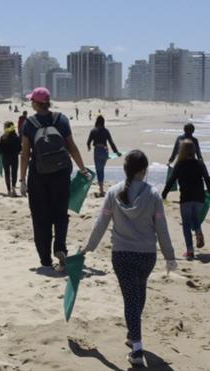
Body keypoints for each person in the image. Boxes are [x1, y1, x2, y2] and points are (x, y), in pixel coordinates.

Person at [80, 150, 176, 367]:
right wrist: (169, 256)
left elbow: (101, 223)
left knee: (134, 297)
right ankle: (136, 344)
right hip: (147, 255)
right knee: (137, 296)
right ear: (144, 171)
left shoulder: (113, 192)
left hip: (122, 255)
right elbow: (162, 228)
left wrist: (89, 246)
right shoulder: (153, 194)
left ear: (126, 169)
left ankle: (136, 343)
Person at [19, 87, 89, 271]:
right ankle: (60, 247)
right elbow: (72, 147)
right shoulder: (61, 119)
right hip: (61, 173)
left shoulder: (29, 123)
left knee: (40, 217)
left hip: (38, 176)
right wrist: (82, 169)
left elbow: (25, 155)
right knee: (60, 213)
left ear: (35, 103)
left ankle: (45, 259)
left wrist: (22, 180)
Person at [161, 139, 210, 260]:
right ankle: (198, 231)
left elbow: (171, 180)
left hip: (186, 198)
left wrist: (164, 193)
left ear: (182, 151)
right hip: (199, 197)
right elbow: (207, 178)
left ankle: (190, 251)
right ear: (194, 150)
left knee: (186, 223)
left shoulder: (179, 165)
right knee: (195, 218)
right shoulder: (200, 164)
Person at [87, 115, 120, 197]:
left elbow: (88, 142)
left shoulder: (93, 131)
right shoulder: (106, 131)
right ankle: (101, 188)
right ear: (103, 122)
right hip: (105, 151)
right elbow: (111, 142)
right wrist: (116, 152)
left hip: (97, 150)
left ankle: (101, 189)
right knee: (102, 169)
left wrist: (89, 147)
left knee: (99, 170)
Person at [0, 121, 21, 197]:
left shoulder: (3, 137)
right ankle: (13, 189)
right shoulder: (17, 137)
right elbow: (19, 149)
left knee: (7, 174)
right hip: (14, 157)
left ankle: (8, 191)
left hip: (6, 157)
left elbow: (0, 150)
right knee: (14, 173)